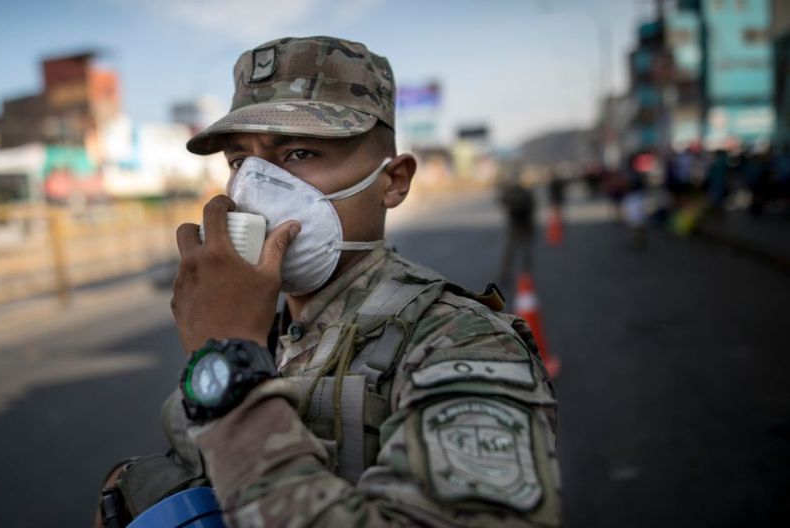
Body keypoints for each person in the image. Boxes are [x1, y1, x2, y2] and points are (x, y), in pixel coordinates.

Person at [96, 36, 561, 528]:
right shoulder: (261, 329)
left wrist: (230, 374)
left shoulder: (462, 343)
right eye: (239, 162)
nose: (254, 188)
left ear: (394, 180)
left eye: (299, 153)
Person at [497, 167, 536, 289]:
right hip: (525, 225)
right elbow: (532, 206)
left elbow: (503, 202)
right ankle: (525, 274)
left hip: (515, 225)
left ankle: (506, 274)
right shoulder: (526, 192)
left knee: (510, 252)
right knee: (524, 251)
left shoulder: (510, 192)